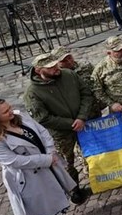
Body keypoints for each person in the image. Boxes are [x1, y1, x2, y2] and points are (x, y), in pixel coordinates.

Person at [0, 100, 76, 215]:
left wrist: (50, 151)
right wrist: (45, 160)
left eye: (10, 108)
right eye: (6, 112)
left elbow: (42, 131)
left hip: (46, 164)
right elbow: (14, 161)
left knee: (49, 195)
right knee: (35, 203)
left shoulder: (20, 117)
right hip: (27, 176)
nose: (11, 111)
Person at [23, 53, 92, 204]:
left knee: (92, 152)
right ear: (38, 70)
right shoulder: (32, 93)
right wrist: (70, 123)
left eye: (55, 65)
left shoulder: (69, 75)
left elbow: (86, 93)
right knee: (67, 163)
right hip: (61, 133)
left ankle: (98, 179)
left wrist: (81, 117)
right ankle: (74, 190)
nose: (56, 69)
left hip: (83, 123)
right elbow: (43, 118)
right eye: (51, 68)